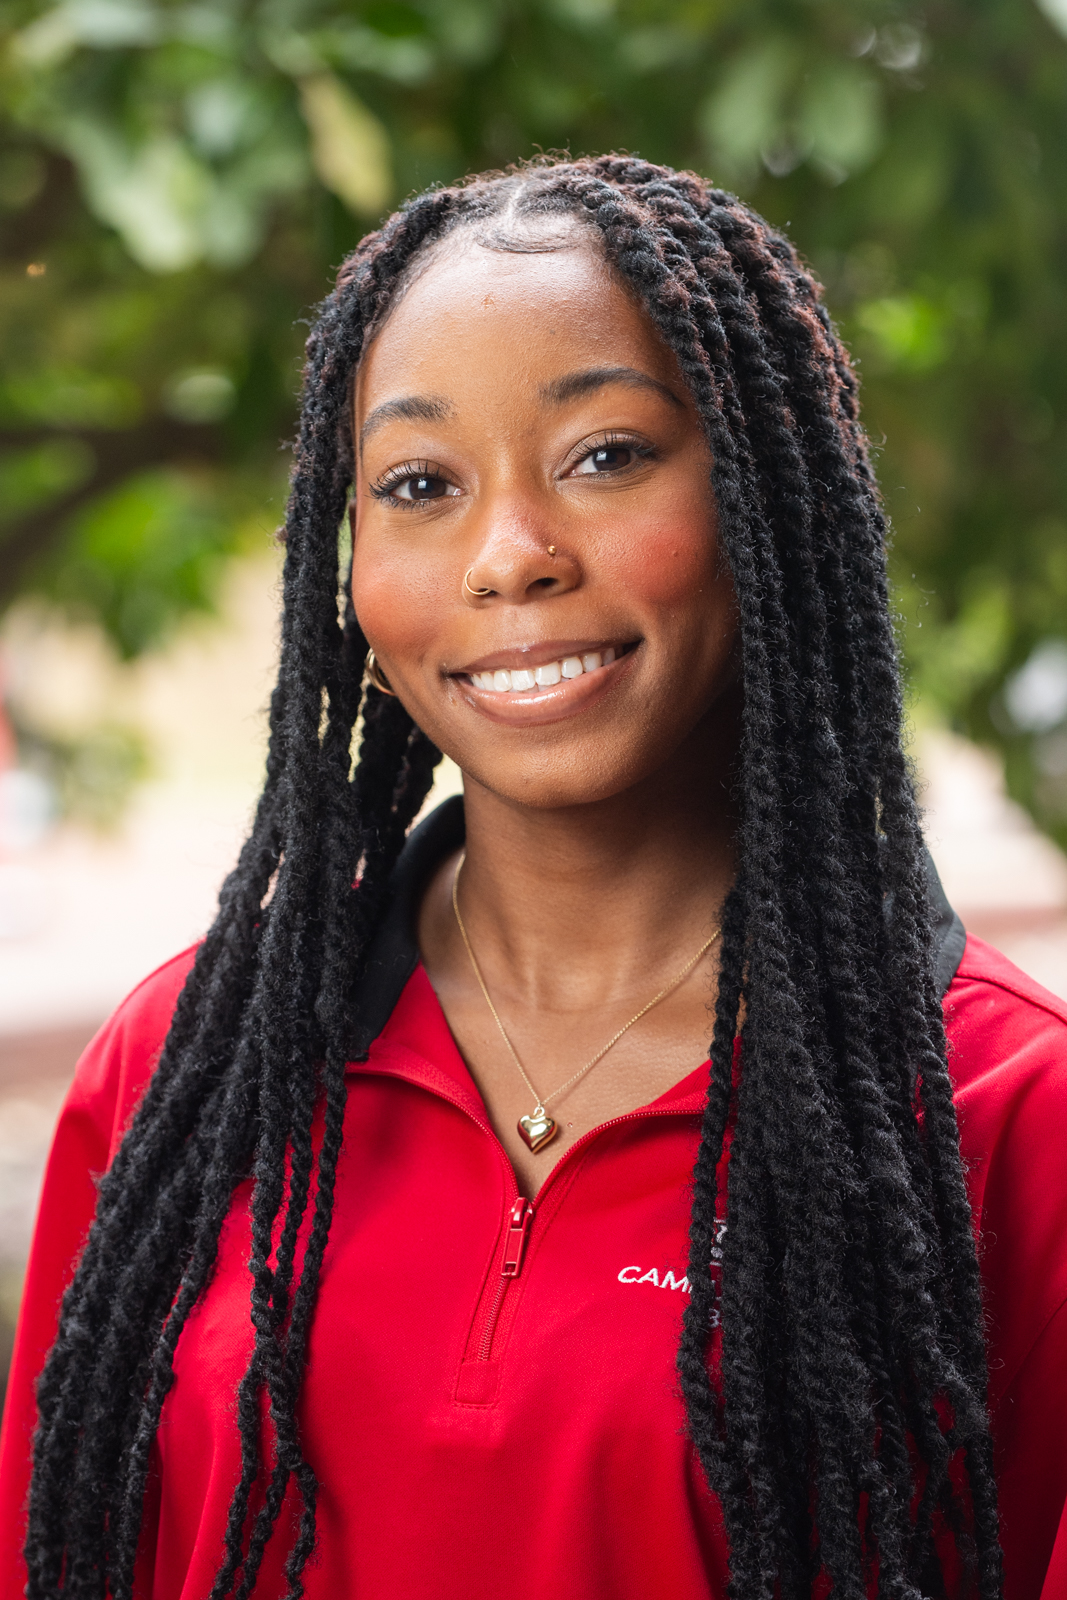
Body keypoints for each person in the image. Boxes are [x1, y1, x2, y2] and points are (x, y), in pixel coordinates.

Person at [1, 155, 1064, 1600]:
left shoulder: (1004, 1114)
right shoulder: (183, 1075)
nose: (511, 556)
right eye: (422, 484)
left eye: (608, 454)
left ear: (770, 497)